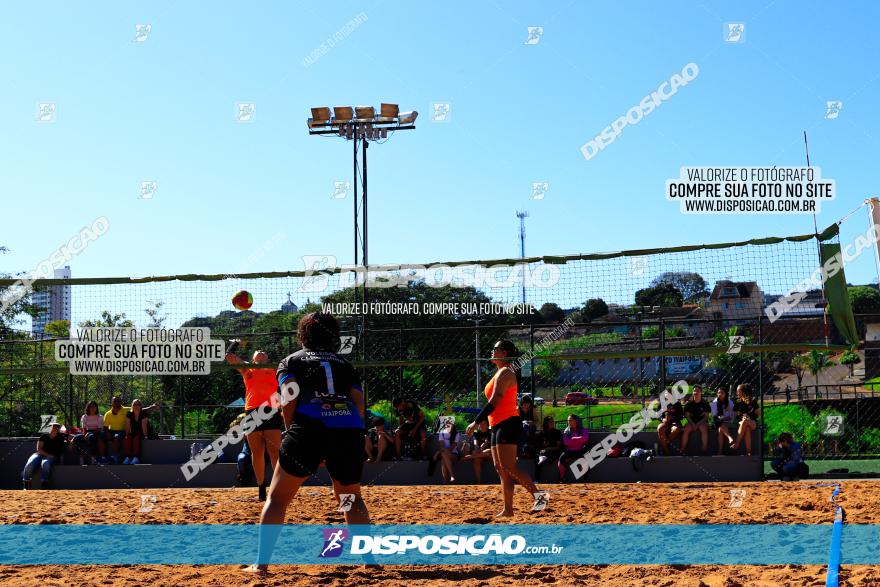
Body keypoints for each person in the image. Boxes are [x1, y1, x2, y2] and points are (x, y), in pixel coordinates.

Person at [245, 311, 369, 574]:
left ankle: (262, 564)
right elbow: (359, 405)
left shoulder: (291, 361)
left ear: (303, 335)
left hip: (308, 429)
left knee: (277, 499)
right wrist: (346, 432)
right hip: (347, 430)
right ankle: (369, 561)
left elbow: (289, 399)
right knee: (350, 497)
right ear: (333, 336)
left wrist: (293, 432)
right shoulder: (344, 364)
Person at [466, 339, 546, 517]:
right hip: (497, 424)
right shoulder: (499, 373)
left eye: (495, 349)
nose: (492, 351)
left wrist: (476, 422)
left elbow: (495, 401)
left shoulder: (506, 372)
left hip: (508, 423)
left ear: (504, 353)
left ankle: (539, 497)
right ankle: (508, 509)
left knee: (508, 466)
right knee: (500, 467)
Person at [226, 340, 283, 501]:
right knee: (256, 451)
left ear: (267, 358)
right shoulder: (247, 368)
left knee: (274, 452)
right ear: (252, 359)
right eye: (257, 350)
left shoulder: (275, 369)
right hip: (252, 411)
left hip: (271, 409)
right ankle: (261, 488)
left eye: (263, 351)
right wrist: (235, 343)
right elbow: (229, 356)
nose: (260, 350)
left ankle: (277, 486)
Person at [102, 396, 160, 464]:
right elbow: (105, 427)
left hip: (123, 431)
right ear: (111, 403)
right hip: (113, 431)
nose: (117, 403)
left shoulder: (127, 410)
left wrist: (152, 407)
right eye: (115, 401)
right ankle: (105, 458)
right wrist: (108, 434)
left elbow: (141, 411)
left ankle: (122, 458)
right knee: (102, 437)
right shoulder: (108, 414)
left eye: (118, 401)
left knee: (122, 437)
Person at [22, 421, 67, 489]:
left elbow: (71, 437)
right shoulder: (44, 436)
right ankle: (26, 482)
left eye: (57, 427)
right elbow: (39, 449)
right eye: (53, 427)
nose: (55, 428)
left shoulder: (61, 437)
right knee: (30, 464)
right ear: (50, 428)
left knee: (45, 464)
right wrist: (47, 455)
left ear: (58, 429)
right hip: (40, 454)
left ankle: (44, 483)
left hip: (51, 456)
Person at [558, 414, 589, 482]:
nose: (569, 422)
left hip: (580, 450)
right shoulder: (567, 430)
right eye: (568, 421)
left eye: (570, 420)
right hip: (569, 450)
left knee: (586, 458)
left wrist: (574, 438)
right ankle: (561, 478)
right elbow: (566, 442)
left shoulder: (583, 430)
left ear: (576, 421)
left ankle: (584, 479)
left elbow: (585, 439)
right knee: (561, 459)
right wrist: (579, 440)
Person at [72, 400, 104, 465]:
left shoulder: (100, 417)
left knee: (92, 437)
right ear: (88, 408)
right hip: (86, 432)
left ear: (96, 408)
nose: (92, 408)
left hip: (96, 433)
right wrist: (86, 434)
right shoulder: (84, 417)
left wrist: (89, 434)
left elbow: (99, 429)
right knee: (76, 439)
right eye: (91, 407)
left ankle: (93, 458)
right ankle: (81, 458)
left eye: (94, 407)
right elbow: (84, 429)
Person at [681, 385, 710, 455]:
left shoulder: (705, 403)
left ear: (701, 392)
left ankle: (704, 448)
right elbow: (687, 417)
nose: (696, 392)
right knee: (687, 428)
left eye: (698, 391)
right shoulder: (689, 404)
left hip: (701, 422)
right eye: (694, 391)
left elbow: (706, 417)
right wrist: (693, 424)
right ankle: (683, 449)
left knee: (704, 427)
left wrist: (697, 424)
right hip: (691, 422)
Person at [732, 384, 760, 456]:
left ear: (743, 392)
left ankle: (736, 444)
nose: (736, 393)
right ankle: (748, 452)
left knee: (746, 422)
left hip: (752, 422)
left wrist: (749, 416)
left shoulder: (752, 401)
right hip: (742, 422)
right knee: (746, 428)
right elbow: (734, 415)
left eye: (738, 391)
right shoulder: (738, 402)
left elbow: (758, 414)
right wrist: (742, 416)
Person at [431, 418, 461, 483]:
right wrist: (443, 451)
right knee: (444, 458)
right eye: (446, 423)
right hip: (444, 453)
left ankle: (446, 480)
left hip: (454, 454)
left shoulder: (457, 433)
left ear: (453, 424)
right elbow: (441, 445)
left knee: (444, 456)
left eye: (449, 423)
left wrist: (440, 452)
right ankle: (451, 477)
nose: (447, 424)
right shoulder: (442, 432)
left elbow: (452, 447)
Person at [535, 415, 563, 481]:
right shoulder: (541, 434)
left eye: (553, 421)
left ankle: (559, 479)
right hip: (543, 452)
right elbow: (538, 447)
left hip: (554, 452)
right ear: (546, 423)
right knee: (537, 459)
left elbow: (558, 447)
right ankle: (537, 479)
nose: (552, 423)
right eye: (550, 422)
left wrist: (548, 449)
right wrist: (542, 450)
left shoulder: (557, 432)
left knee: (547, 455)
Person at [656, 391, 684, 455]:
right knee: (660, 429)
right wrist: (663, 419)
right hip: (665, 422)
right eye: (666, 395)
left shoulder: (677, 404)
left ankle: (664, 445)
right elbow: (658, 415)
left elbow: (681, 416)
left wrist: (672, 419)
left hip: (675, 422)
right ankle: (667, 452)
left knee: (676, 429)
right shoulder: (662, 403)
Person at [711, 386, 736, 455]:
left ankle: (720, 451)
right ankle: (730, 438)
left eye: (722, 393)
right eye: (718, 393)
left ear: (725, 394)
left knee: (720, 428)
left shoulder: (730, 402)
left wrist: (726, 418)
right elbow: (714, 416)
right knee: (720, 424)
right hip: (718, 422)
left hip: (728, 422)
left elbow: (732, 416)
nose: (720, 394)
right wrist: (723, 418)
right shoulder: (715, 402)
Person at [123, 399, 149, 464]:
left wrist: (145, 436)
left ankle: (136, 458)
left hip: (142, 432)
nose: (136, 406)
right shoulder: (129, 414)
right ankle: (128, 457)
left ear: (140, 406)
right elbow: (128, 426)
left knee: (136, 438)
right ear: (132, 406)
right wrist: (126, 435)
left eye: (138, 404)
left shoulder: (143, 414)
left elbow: (144, 426)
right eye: (134, 404)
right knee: (128, 438)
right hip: (134, 432)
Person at [518, 395, 538, 459]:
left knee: (530, 427)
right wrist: (523, 422)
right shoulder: (518, 409)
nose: (526, 406)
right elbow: (516, 422)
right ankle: (525, 446)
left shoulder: (533, 408)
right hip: (521, 427)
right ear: (521, 404)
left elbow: (537, 421)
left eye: (528, 404)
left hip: (531, 426)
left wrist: (532, 422)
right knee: (525, 427)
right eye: (524, 404)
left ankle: (528, 446)